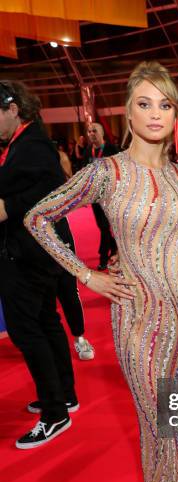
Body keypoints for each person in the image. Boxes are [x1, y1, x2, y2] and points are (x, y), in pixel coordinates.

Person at [24, 62, 178, 482]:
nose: (155, 114)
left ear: (176, 114)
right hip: (139, 318)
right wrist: (87, 274)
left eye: (165, 104)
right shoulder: (105, 172)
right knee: (159, 430)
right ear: (127, 111)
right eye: (144, 103)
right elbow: (37, 217)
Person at [0, 80, 78, 449]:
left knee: (27, 329)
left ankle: (54, 413)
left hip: (28, 254)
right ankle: (62, 396)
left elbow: (49, 193)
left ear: (12, 109)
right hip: (35, 252)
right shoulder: (24, 143)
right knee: (45, 322)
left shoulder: (32, 145)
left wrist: (8, 208)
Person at [84, 122, 118, 270]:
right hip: (94, 195)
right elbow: (85, 172)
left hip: (110, 194)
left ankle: (103, 257)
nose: (92, 134)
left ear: (102, 133)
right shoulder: (87, 152)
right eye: (89, 131)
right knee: (102, 226)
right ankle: (115, 247)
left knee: (105, 227)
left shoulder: (112, 149)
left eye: (94, 131)